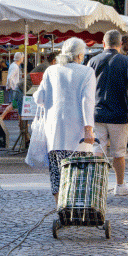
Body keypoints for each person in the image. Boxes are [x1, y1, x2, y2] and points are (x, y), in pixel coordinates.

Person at [33, 37, 96, 204]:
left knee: (57, 174)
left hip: (55, 134)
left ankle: (61, 211)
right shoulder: (87, 72)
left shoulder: (51, 71)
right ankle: (77, 209)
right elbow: (87, 101)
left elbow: (39, 98)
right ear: (80, 55)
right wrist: (88, 129)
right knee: (79, 175)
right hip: (78, 134)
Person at [88, 30, 128, 196]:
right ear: (120, 44)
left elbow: (86, 86)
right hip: (119, 114)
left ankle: (96, 186)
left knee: (98, 149)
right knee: (118, 153)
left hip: (97, 112)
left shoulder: (92, 61)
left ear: (104, 44)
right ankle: (120, 185)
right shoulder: (127, 61)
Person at [0, 52, 24, 125]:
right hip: (15, 88)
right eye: (23, 57)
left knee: (16, 104)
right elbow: (9, 78)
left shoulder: (14, 65)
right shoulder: (15, 67)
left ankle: (20, 121)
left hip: (14, 88)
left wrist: (8, 86)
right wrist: (12, 87)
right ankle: (2, 116)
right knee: (16, 104)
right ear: (20, 58)